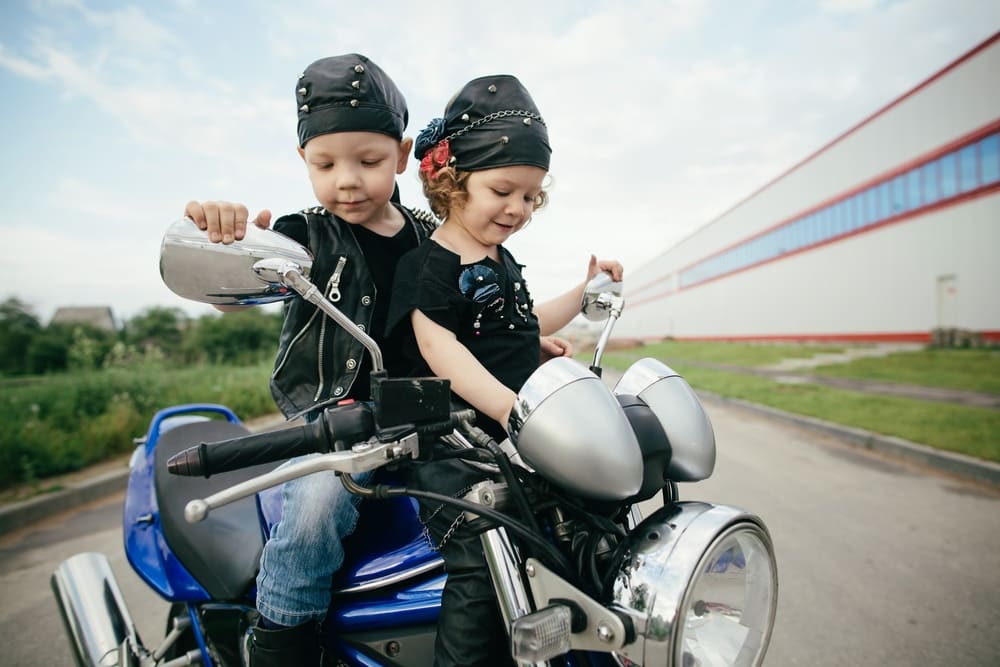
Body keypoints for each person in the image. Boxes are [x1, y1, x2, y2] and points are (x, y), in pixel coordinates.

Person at [385, 74, 623, 666]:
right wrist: (509, 409)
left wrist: (584, 291)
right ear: (451, 181)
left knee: (577, 532)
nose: (517, 208)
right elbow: (445, 351)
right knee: (478, 558)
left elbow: (525, 319)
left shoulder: (503, 260)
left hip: (517, 435)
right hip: (454, 443)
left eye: (530, 196)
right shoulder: (428, 266)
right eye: (502, 190)